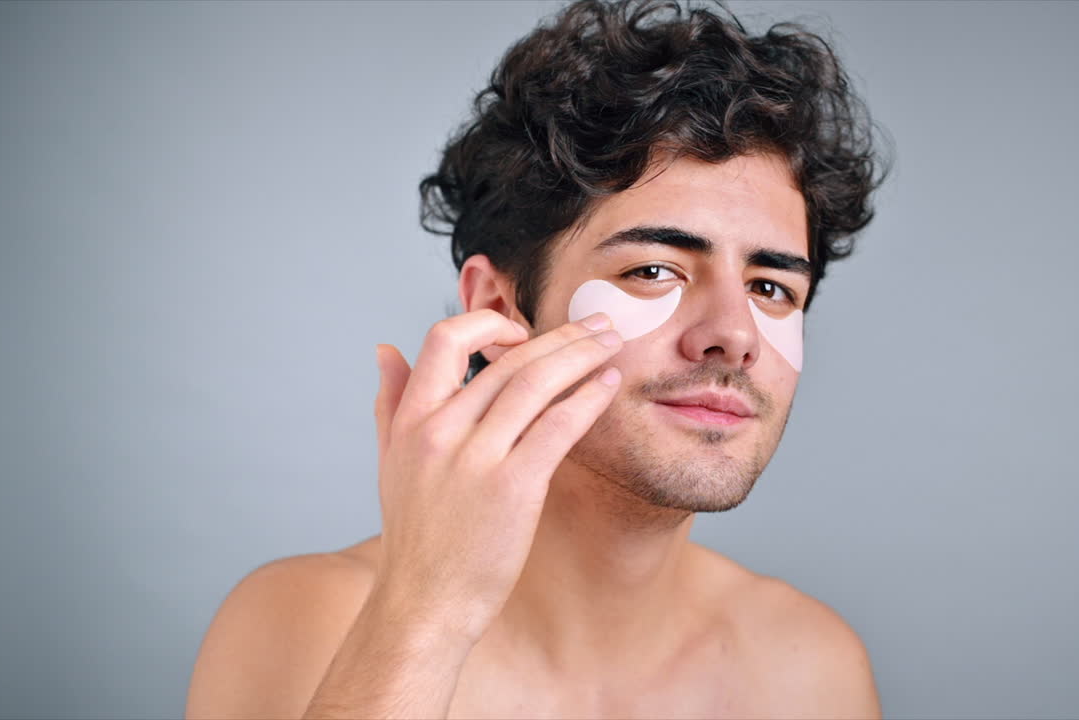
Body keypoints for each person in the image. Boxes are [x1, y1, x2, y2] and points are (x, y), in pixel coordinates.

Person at [185, 0, 887, 717]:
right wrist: (427, 615)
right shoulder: (300, 627)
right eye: (652, 270)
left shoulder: (812, 670)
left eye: (770, 287)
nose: (735, 335)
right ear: (498, 308)